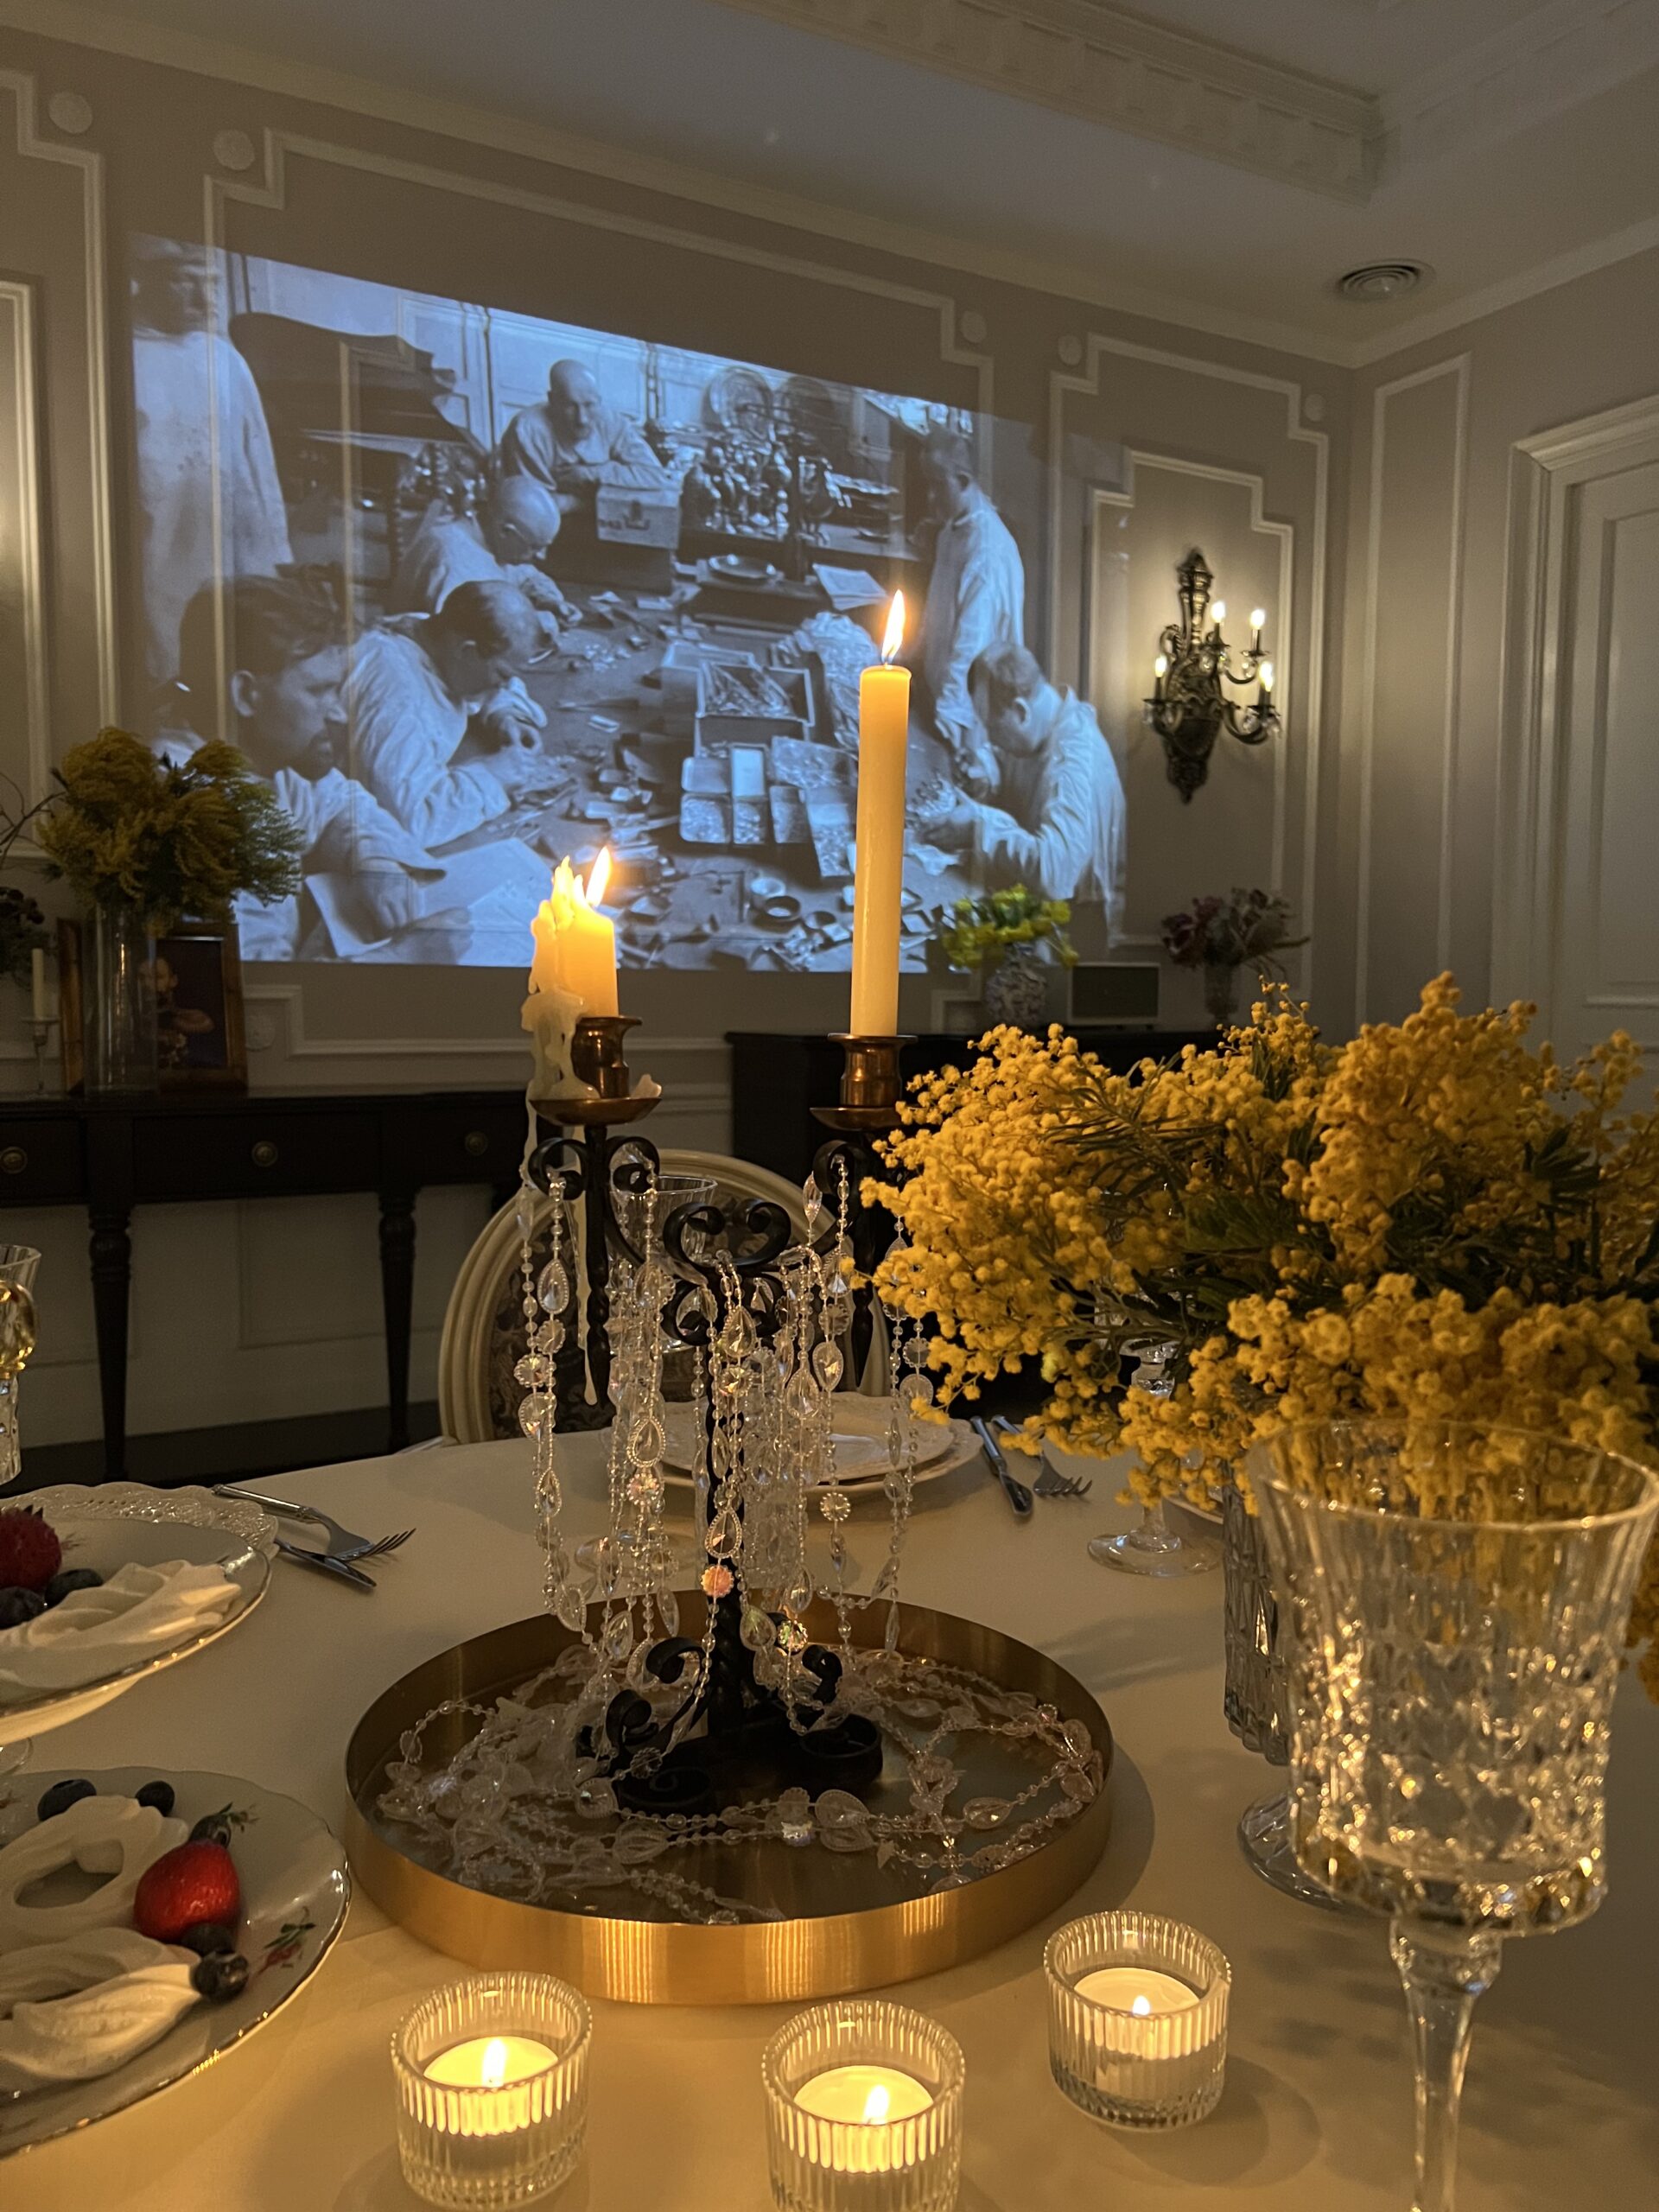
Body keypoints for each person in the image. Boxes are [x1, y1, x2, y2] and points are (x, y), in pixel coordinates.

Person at [170, 574, 452, 961]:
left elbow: (340, 803)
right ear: (246, 694)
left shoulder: (261, 749)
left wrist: (374, 859)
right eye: (319, 690)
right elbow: (254, 985)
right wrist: (407, 957)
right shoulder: (197, 819)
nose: (339, 713)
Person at [132, 239, 292, 694]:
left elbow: (259, 463)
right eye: (186, 282)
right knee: (171, 664)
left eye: (212, 283)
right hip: (159, 553)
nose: (206, 300)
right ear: (146, 280)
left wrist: (276, 554)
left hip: (234, 542)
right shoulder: (119, 355)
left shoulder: (225, 360)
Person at [928, 644, 1126, 930]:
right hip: (1037, 913)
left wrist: (979, 827)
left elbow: (1055, 874)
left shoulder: (1072, 763)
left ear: (1021, 711)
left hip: (1076, 931)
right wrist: (986, 771)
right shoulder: (1048, 722)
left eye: (992, 727)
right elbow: (1019, 757)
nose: (990, 738)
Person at [344, 580, 551, 848]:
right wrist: (492, 776)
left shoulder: (433, 630)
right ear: (466, 650)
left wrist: (505, 712)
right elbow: (411, 821)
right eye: (501, 675)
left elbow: (477, 674)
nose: (504, 685)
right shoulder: (399, 699)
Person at [916, 428, 1025, 793]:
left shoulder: (987, 552)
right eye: (927, 484)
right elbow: (938, 609)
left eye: (938, 485)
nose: (930, 497)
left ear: (963, 480)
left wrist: (949, 719)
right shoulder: (952, 530)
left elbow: (970, 651)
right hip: (944, 702)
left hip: (970, 719)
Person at [391, 476, 575, 626]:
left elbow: (527, 577)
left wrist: (550, 602)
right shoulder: (455, 560)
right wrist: (535, 623)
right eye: (535, 547)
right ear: (505, 531)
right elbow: (463, 638)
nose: (541, 556)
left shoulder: (497, 543)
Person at [499, 359, 669, 519]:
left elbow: (654, 475)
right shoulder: (527, 430)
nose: (582, 419)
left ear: (599, 400)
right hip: (542, 523)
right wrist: (584, 502)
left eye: (589, 405)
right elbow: (536, 508)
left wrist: (589, 474)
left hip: (598, 518)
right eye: (570, 406)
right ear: (552, 400)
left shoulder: (611, 422)